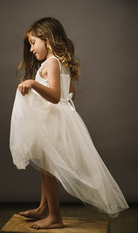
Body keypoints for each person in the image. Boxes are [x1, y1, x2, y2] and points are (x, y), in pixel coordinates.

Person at [9, 17, 129, 229]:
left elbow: (56, 96)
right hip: (56, 120)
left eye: (33, 42)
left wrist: (33, 84)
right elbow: (69, 92)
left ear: (47, 39)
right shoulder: (56, 62)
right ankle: (43, 207)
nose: (30, 49)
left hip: (54, 123)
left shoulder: (52, 63)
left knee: (49, 171)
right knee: (47, 168)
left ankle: (54, 216)